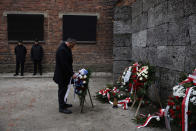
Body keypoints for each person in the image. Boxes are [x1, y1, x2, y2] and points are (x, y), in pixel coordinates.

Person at [53, 38, 77, 114]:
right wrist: (72, 74)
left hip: (65, 75)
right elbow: (64, 65)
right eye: (73, 45)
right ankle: (61, 107)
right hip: (61, 75)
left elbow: (69, 63)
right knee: (62, 91)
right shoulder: (62, 50)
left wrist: (72, 72)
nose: (73, 47)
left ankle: (64, 103)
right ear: (69, 43)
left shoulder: (66, 48)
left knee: (65, 90)